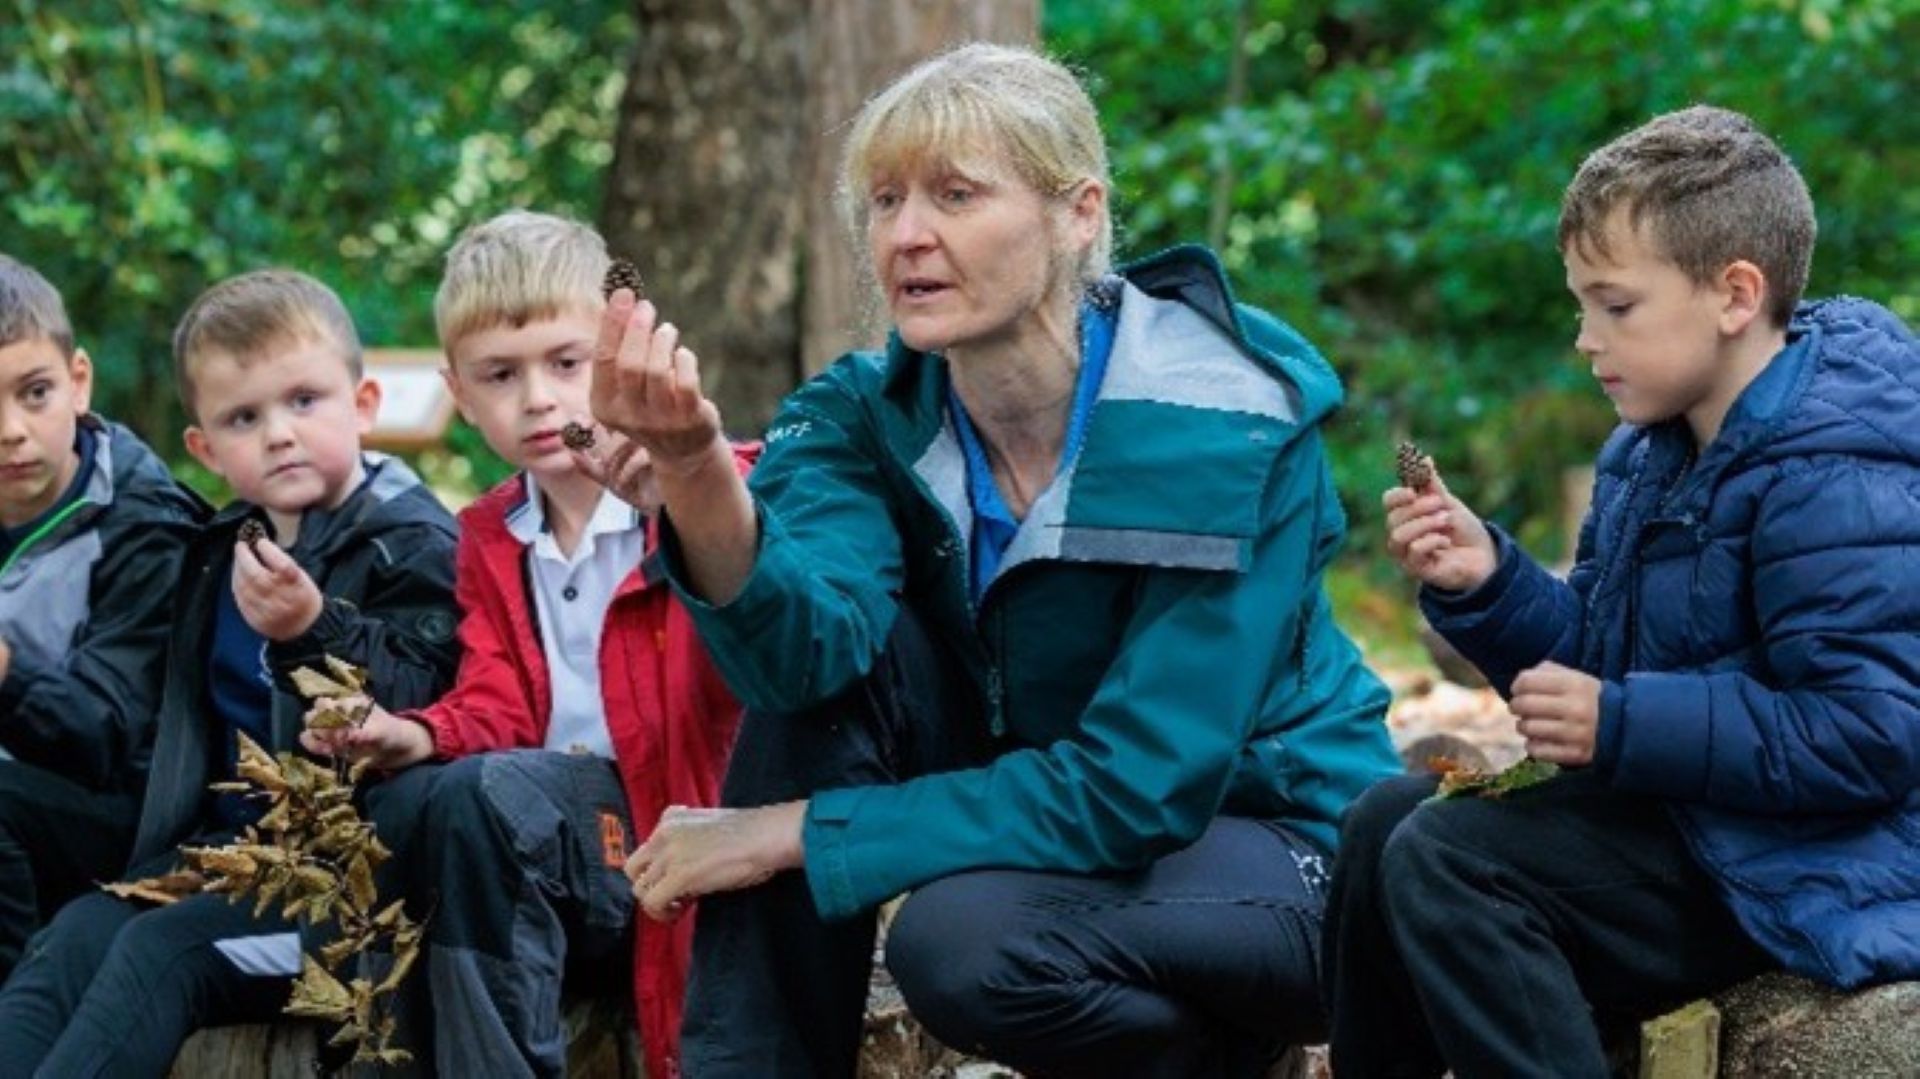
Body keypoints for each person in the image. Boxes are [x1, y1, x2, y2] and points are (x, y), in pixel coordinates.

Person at [596, 43, 1399, 1078]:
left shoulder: (1226, 420)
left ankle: (1220, 1053)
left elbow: (1139, 786)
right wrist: (698, 468)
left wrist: (792, 830)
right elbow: (803, 663)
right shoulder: (864, 412)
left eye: (957, 194)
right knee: (854, 724)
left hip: (1284, 851)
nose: (908, 235)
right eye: (884, 200)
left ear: (1078, 212)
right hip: (1057, 849)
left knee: (960, 941)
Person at [1324, 105, 1920, 1078]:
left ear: (1734, 294)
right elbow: (1601, 664)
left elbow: (1868, 733)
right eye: (1580, 305)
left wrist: (1624, 721)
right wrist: (1492, 581)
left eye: (1616, 306)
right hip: (1692, 818)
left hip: (1808, 868)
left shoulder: (1834, 470)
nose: (1584, 340)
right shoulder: (1652, 451)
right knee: (1381, 820)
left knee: (1452, 858)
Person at [300, 211, 751, 1079]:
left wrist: (684, 500)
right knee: (400, 805)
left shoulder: (701, 495)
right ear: (461, 396)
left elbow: (760, 643)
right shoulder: (492, 533)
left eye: (567, 364)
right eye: (501, 375)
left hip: (672, 834)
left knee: (486, 798)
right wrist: (414, 732)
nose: (538, 397)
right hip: (542, 854)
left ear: (619, 355)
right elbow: (501, 697)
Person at [0, 268, 461, 1076]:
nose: (279, 433)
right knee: (77, 933)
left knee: (162, 951)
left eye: (304, 401)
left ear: (364, 404)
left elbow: (429, 701)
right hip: (226, 861)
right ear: (207, 446)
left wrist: (310, 629)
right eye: (245, 417)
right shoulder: (220, 552)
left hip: (357, 898)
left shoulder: (412, 542)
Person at [0, 254, 207, 983]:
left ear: (78, 380)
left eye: (35, 393)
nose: (11, 430)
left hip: (123, 817)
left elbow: (103, 736)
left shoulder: (145, 522)